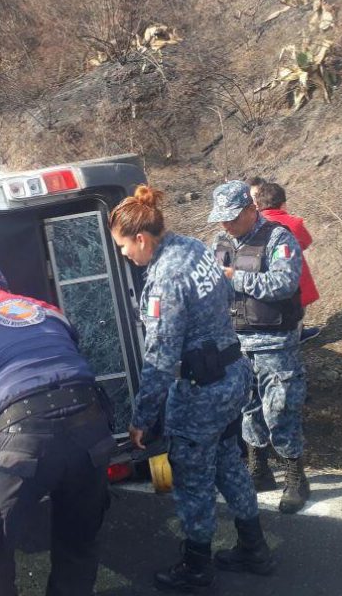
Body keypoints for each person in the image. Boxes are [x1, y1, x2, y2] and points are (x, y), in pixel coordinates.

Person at [110, 185, 273, 591]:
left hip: (201, 392)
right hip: (233, 376)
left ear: (141, 238)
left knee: (192, 478)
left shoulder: (165, 279)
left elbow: (161, 359)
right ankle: (255, 549)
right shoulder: (194, 248)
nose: (125, 255)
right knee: (228, 461)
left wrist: (142, 419)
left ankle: (197, 567)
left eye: (123, 246)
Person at [0, 262, 115, 596]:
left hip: (20, 434)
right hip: (90, 425)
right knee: (78, 540)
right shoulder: (49, 311)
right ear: (7, 289)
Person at [211, 181, 310, 513]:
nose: (225, 224)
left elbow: (285, 283)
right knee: (248, 409)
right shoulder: (221, 242)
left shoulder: (278, 237)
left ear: (251, 210)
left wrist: (234, 278)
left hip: (275, 343)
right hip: (236, 343)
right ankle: (259, 468)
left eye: (232, 217)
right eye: (221, 218)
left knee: (281, 410)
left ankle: (295, 476)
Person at [252, 180, 321, 343]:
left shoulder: (253, 225)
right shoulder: (294, 223)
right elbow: (306, 241)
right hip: (295, 277)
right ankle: (295, 339)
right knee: (297, 311)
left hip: (266, 279)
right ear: (283, 204)